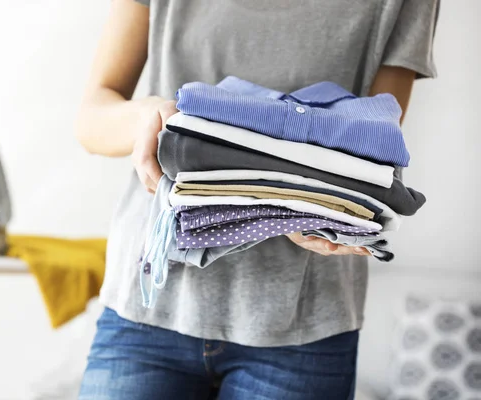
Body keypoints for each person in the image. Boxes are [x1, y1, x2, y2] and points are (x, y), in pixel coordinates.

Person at [76, 0, 438, 398]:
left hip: (303, 324)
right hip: (148, 300)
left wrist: (323, 209)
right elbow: (92, 118)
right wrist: (152, 119)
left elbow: (376, 140)